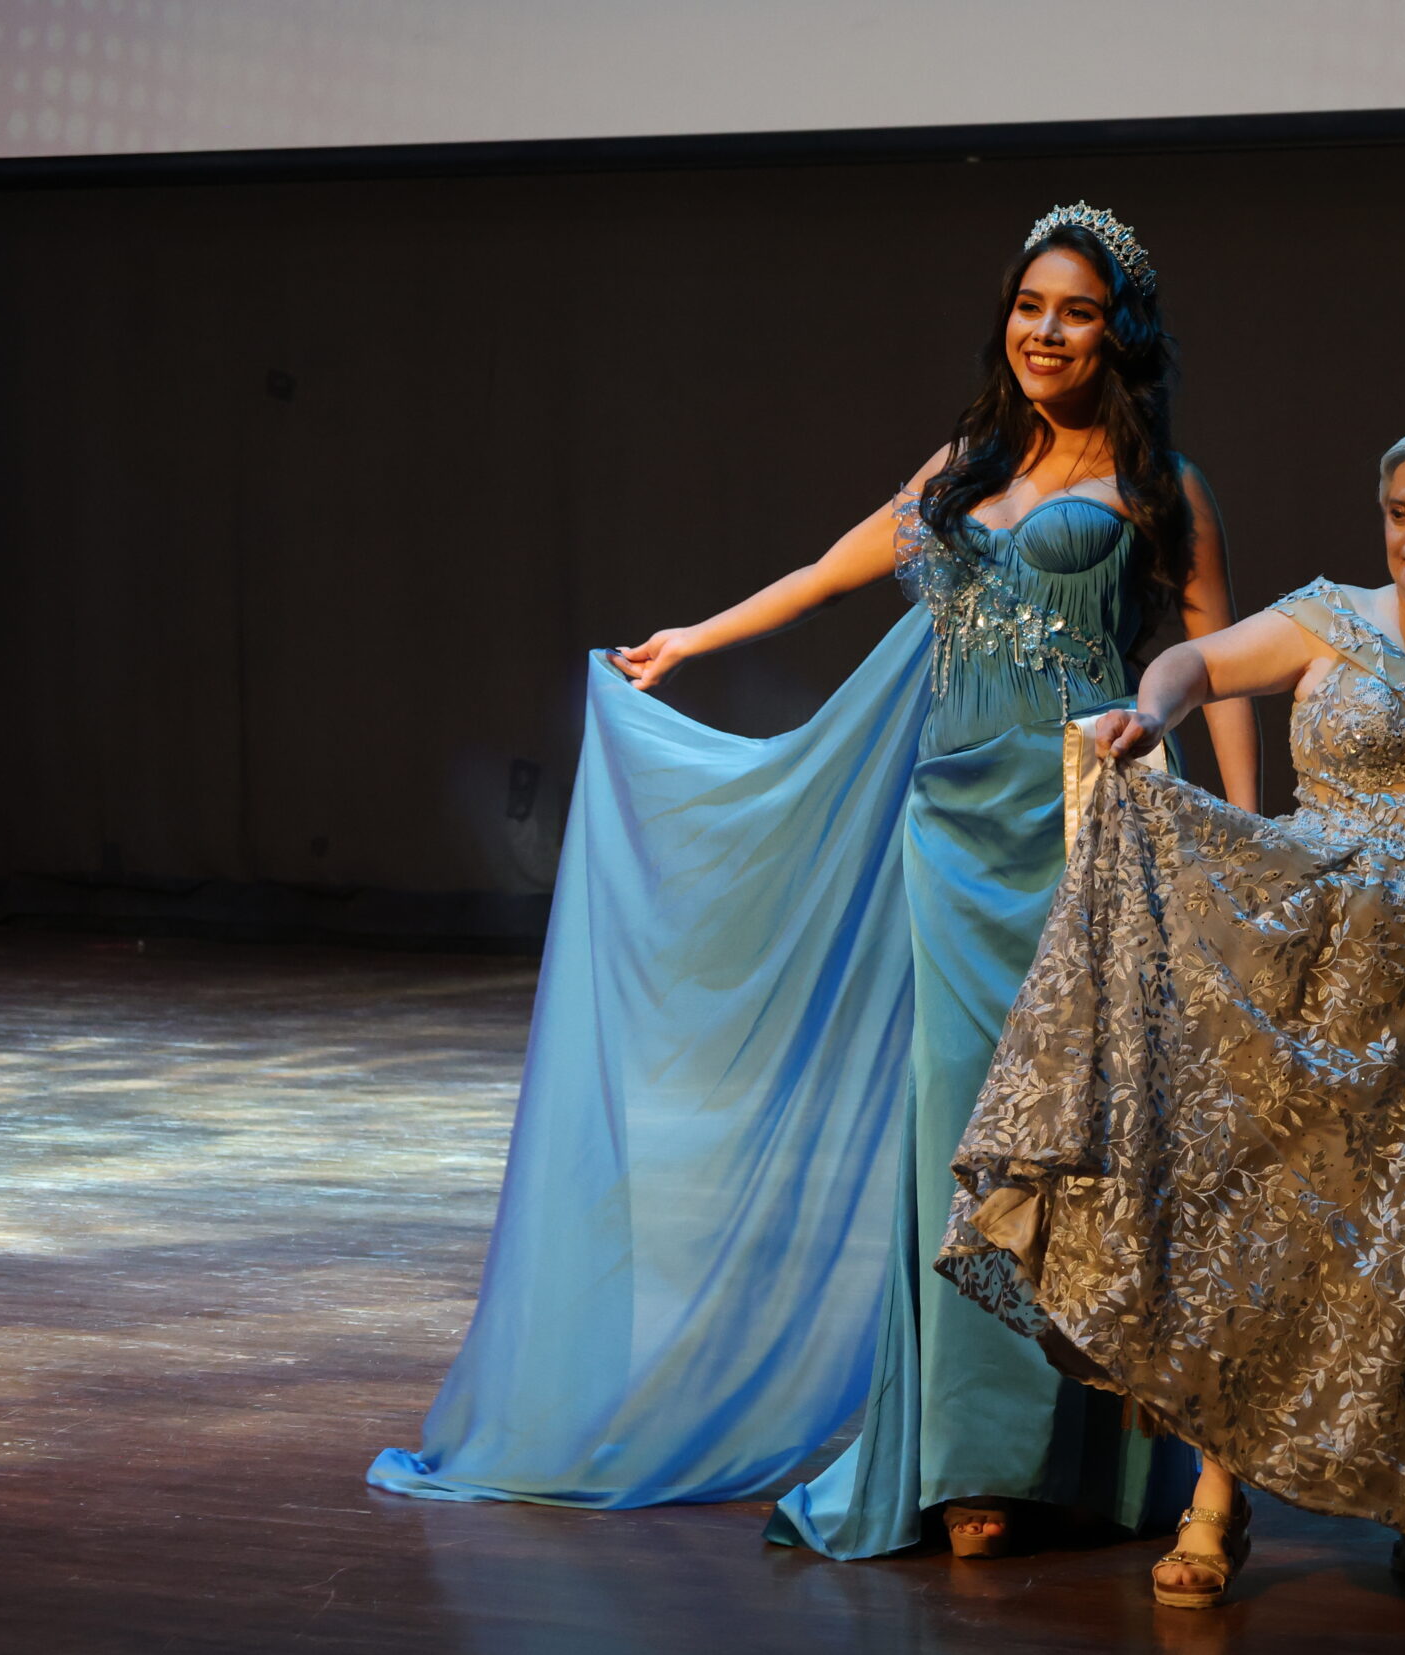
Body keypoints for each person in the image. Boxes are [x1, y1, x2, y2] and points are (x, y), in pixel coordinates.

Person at [369, 203, 1259, 1563]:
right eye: (1029, 305)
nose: (1045, 331)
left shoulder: (1166, 487)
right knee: (958, 1128)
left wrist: (1238, 835)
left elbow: (1217, 658)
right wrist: (693, 638)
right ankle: (966, 1453)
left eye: (1076, 311)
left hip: (1088, 824)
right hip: (953, 828)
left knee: (1080, 1131)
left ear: (1119, 334)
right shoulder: (965, 467)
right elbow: (829, 574)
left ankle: (1078, 1458)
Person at [939, 422, 1405, 1605]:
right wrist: (1152, 715)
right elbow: (1195, 661)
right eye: (1398, 512)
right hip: (1307, 964)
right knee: (1267, 1222)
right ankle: (1215, 1503)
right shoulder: (1333, 621)